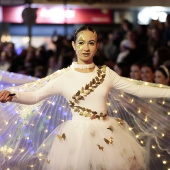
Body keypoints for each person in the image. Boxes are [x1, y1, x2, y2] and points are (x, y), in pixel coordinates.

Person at [0, 26, 170, 170]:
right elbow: (35, 95)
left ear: (97, 46)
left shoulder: (106, 74)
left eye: (91, 43)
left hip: (109, 137)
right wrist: (12, 96)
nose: (86, 48)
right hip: (75, 140)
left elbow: (138, 89)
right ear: (74, 45)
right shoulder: (64, 76)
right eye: (81, 43)